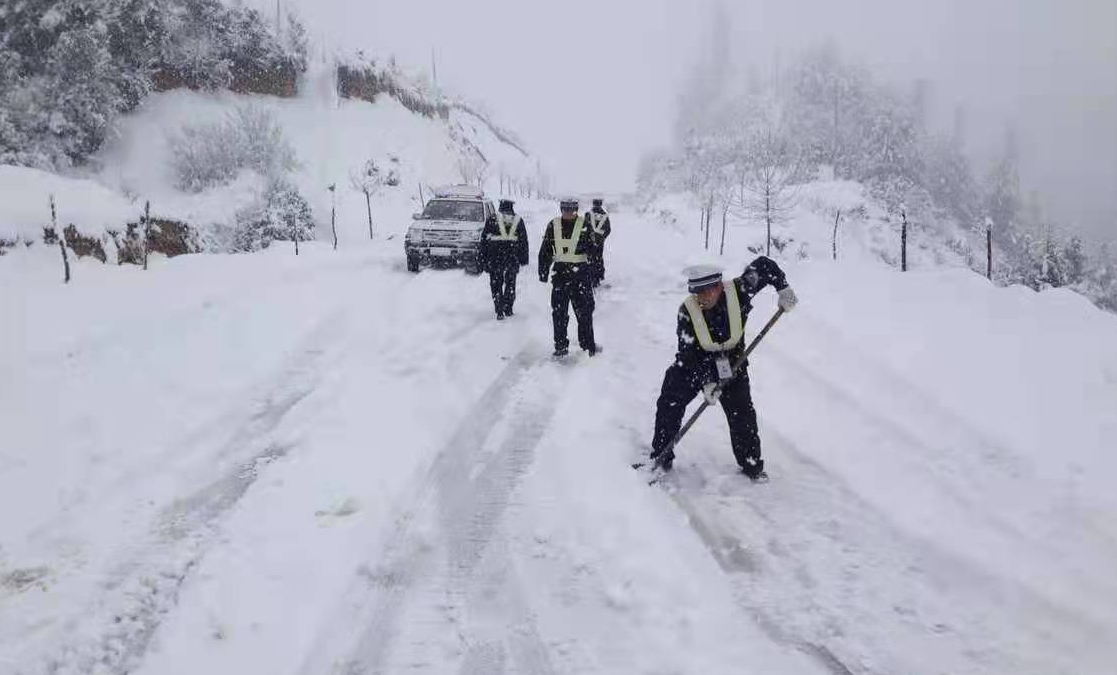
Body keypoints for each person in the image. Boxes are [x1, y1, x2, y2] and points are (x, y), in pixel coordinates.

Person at [649, 258, 798, 482]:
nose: (701, 298)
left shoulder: (741, 289)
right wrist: (707, 381)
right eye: (696, 292)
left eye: (706, 292)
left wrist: (783, 289)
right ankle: (661, 455)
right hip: (695, 363)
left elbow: (765, 265)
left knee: (742, 413)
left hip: (732, 363)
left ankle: (751, 464)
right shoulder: (687, 311)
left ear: (718, 286)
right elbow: (688, 353)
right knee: (670, 399)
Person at [538, 198, 601, 358]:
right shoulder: (555, 225)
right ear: (561, 209)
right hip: (563, 276)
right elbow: (545, 250)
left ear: (576, 210)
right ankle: (561, 346)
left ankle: (587, 344)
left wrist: (595, 274)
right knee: (560, 313)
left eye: (570, 209)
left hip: (579, 276)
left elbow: (594, 253)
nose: (567, 213)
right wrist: (543, 272)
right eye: (565, 209)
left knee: (584, 313)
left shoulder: (584, 225)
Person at [479, 199, 529, 319]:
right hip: (512, 257)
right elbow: (523, 242)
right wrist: (523, 259)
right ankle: (508, 308)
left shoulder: (492, 219)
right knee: (510, 283)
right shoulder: (518, 220)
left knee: (496, 283)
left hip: (495, 256)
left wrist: (483, 259)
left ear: (500, 206)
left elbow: (484, 240)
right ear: (512, 206)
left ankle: (499, 307)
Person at [586, 198, 611, 288]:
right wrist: (602, 238)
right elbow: (608, 230)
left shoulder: (588, 214)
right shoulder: (605, 215)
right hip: (600, 242)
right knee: (599, 258)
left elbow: (584, 227)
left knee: (590, 259)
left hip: (589, 241)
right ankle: (599, 276)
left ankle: (591, 277)